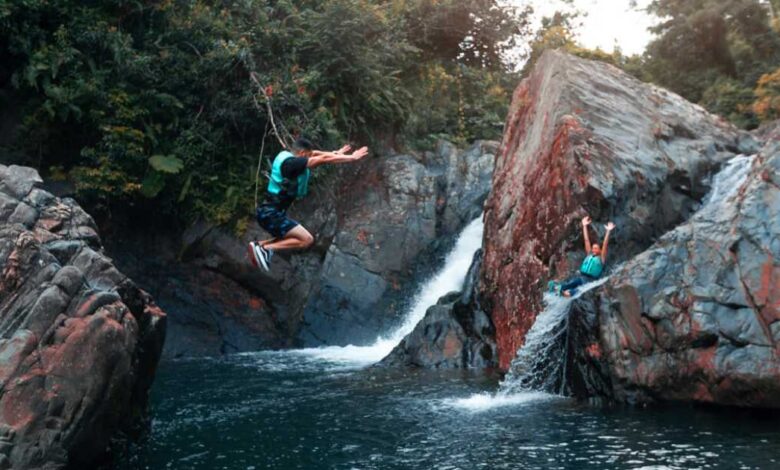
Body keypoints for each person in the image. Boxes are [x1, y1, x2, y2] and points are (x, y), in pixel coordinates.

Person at [248, 138, 369, 271]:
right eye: (308, 156)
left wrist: (335, 153)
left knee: (291, 238)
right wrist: (351, 158)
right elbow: (322, 159)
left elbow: (316, 153)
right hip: (271, 215)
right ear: (302, 154)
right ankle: (266, 248)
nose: (310, 158)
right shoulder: (292, 164)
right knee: (306, 240)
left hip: (266, 213)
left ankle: (260, 246)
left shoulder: (288, 157)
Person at [548, 216, 615, 297]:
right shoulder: (589, 254)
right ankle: (557, 288)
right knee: (572, 282)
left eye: (596, 248)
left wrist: (608, 231)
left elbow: (604, 245)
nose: (593, 249)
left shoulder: (601, 258)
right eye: (593, 248)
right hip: (581, 275)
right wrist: (584, 226)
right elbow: (586, 240)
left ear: (600, 251)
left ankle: (568, 294)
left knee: (580, 287)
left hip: (590, 279)